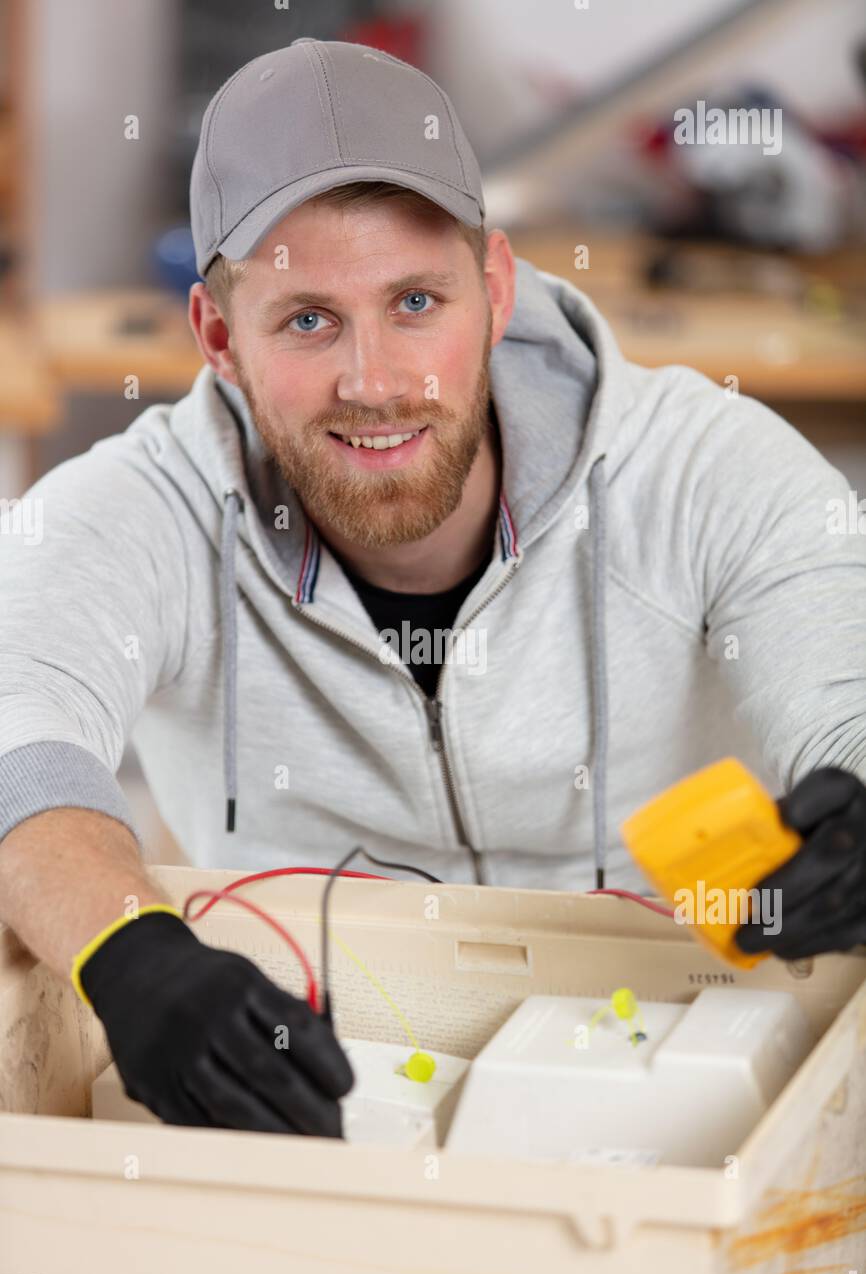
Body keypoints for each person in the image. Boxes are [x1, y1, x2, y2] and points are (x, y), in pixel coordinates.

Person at [1, 38, 865, 1137]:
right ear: (218, 337)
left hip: (702, 1096)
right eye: (307, 318)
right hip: (313, 1102)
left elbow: (845, 687)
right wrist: (128, 952)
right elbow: (18, 724)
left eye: (415, 301)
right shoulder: (145, 508)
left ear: (494, 289)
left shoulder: (706, 468)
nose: (372, 383)